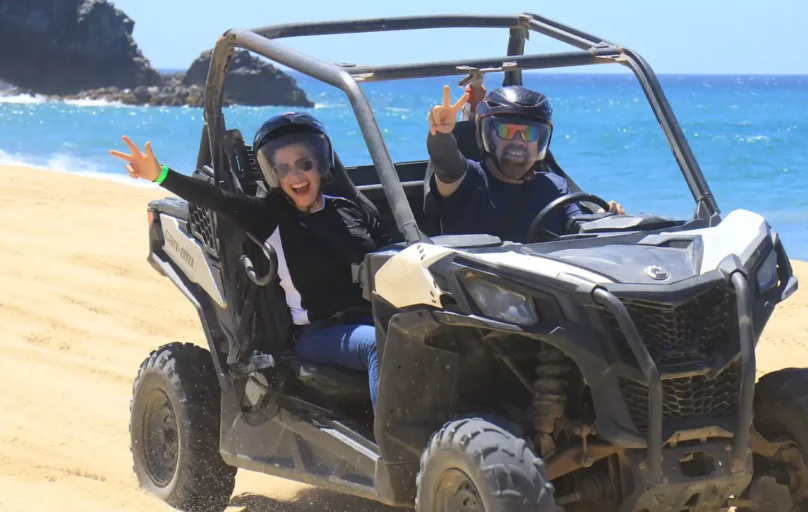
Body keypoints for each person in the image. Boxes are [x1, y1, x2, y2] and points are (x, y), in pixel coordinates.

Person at [109, 112, 395, 407]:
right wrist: (160, 174)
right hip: (317, 334)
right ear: (273, 175)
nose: (296, 176)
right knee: (380, 346)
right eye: (283, 168)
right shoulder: (270, 217)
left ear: (320, 165)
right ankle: (394, 450)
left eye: (305, 164)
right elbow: (215, 199)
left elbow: (395, 251)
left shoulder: (348, 208)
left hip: (370, 316)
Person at [425, 83, 625, 242]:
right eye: (507, 131)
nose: (518, 141)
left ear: (540, 140)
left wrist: (603, 218)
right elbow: (446, 162)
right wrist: (441, 134)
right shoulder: (468, 179)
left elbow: (578, 225)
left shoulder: (554, 186)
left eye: (528, 133)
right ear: (488, 135)